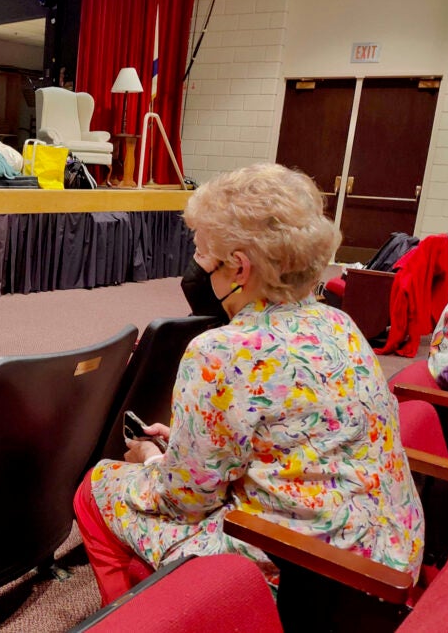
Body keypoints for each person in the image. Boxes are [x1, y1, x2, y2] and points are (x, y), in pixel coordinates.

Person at [74, 163, 424, 606]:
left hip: (304, 573)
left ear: (239, 267)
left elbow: (185, 501)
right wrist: (184, 444)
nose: (196, 271)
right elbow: (288, 440)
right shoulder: (340, 323)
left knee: (100, 485)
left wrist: (149, 459)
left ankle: (142, 617)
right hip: (386, 560)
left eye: (202, 258)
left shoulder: (219, 350)